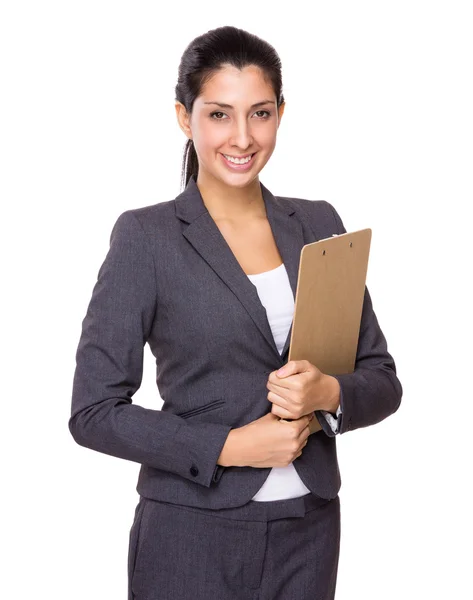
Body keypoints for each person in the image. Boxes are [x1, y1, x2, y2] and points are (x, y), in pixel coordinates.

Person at [69, 25, 403, 600]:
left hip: (310, 529)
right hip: (191, 534)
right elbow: (93, 411)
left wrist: (326, 392)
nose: (243, 137)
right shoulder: (146, 238)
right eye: (220, 114)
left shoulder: (320, 224)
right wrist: (227, 447)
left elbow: (383, 379)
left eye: (261, 113)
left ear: (281, 113)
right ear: (184, 116)